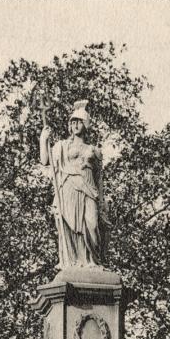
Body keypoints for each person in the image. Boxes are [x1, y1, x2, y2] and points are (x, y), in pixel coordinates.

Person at [40, 100, 109, 268]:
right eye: (73, 121)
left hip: (88, 190)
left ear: (86, 124)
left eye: (79, 121)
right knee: (70, 227)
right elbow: (45, 160)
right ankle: (73, 262)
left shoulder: (94, 150)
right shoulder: (61, 146)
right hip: (68, 188)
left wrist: (102, 201)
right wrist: (43, 139)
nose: (75, 124)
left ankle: (92, 261)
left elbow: (99, 178)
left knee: (92, 224)